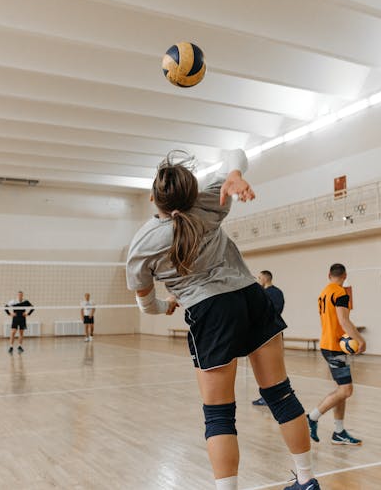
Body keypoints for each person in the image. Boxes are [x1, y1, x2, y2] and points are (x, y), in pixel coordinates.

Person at [126, 149, 319, 490]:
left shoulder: (143, 242)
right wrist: (233, 173)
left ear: (153, 198)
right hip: (250, 297)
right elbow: (237, 153)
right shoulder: (208, 200)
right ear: (191, 190)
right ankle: (306, 480)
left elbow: (145, 304)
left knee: (219, 415)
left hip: (210, 313)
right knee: (281, 395)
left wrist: (165, 306)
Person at [307, 263, 366, 447]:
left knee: (342, 390)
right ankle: (312, 417)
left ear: (329, 275)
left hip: (329, 344)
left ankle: (339, 432)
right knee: (346, 390)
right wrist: (360, 339)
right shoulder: (340, 293)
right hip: (334, 347)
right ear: (345, 275)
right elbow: (343, 320)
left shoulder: (324, 292)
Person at [251, 270, 285, 406]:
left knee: (271, 366)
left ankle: (273, 396)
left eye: (260, 277)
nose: (259, 279)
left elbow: (274, 311)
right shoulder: (260, 292)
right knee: (264, 367)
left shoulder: (275, 293)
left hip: (270, 334)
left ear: (265, 278)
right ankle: (269, 395)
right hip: (261, 334)